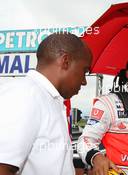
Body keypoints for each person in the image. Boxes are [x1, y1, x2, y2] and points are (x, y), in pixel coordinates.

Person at [0, 33, 92, 175]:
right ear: (65, 61)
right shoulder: (25, 94)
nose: (84, 81)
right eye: (84, 71)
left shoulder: (49, 99)